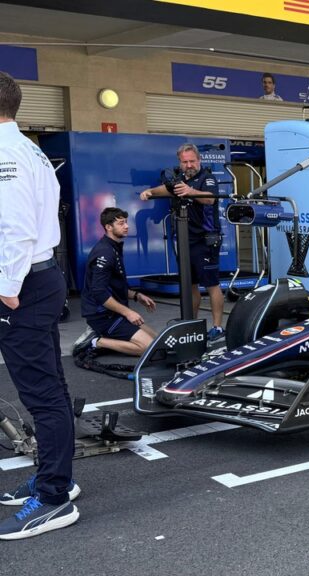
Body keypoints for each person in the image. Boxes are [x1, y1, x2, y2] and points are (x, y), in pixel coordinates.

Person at [0, 71, 81, 539]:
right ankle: (58, 480)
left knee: (41, 392)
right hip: (39, 278)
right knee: (47, 384)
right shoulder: (25, 147)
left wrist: (7, 285)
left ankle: (53, 497)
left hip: (24, 284)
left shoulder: (6, 154)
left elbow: (14, 227)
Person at [140, 143, 226, 339]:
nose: (189, 165)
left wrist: (191, 192)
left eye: (192, 161)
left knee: (212, 284)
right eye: (185, 161)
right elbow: (166, 189)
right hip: (186, 240)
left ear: (199, 160)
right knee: (190, 284)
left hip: (206, 238)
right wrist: (150, 192)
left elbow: (210, 199)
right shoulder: (179, 179)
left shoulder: (207, 178)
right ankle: (192, 324)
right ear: (180, 162)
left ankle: (218, 327)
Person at [74, 207, 157, 357]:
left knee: (158, 341)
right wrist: (128, 312)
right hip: (103, 316)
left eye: (126, 222)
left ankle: (106, 337)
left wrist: (137, 296)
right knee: (150, 349)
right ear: (108, 227)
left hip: (114, 313)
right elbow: (99, 292)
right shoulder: (104, 252)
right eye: (120, 223)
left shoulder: (114, 247)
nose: (126, 226)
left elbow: (114, 286)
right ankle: (96, 341)